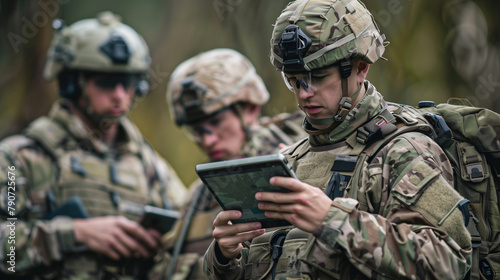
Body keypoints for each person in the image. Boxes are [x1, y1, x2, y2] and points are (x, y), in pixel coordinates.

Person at [203, 1, 473, 280]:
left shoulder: (403, 152)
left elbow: (448, 261)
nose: (304, 93)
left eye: (317, 77)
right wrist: (225, 255)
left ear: (360, 69)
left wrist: (332, 219)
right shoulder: (290, 161)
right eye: (294, 80)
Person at [0, 12, 187, 279]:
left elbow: (187, 245)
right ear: (72, 83)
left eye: (129, 82)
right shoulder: (18, 159)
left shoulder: (151, 168)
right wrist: (76, 234)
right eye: (106, 82)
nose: (120, 95)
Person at [149, 48, 307, 280]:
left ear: (250, 109)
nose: (207, 140)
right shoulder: (199, 193)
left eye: (216, 121)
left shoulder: (294, 169)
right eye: (197, 130)